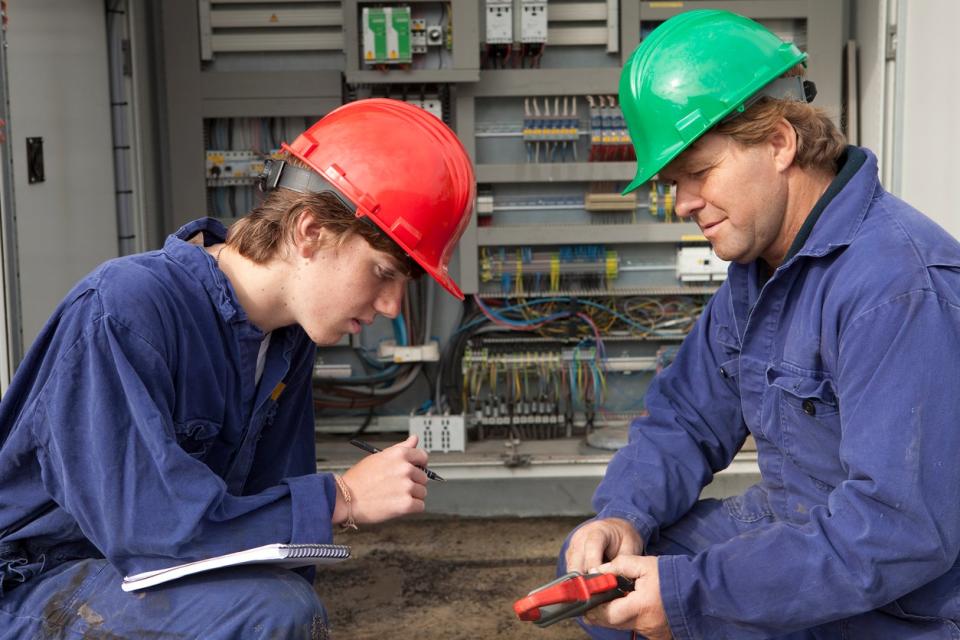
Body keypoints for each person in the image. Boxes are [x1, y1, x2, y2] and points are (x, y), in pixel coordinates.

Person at [0, 98, 475, 638]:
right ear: (309, 231)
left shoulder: (287, 342)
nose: (391, 307)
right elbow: (151, 535)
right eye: (383, 272)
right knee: (270, 610)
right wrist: (341, 497)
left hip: (122, 580)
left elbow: (275, 546)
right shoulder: (125, 310)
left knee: (284, 599)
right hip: (30, 580)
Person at [560, 10, 960, 640]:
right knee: (612, 584)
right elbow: (686, 420)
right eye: (673, 182)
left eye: (698, 172)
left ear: (779, 143)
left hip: (904, 599)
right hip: (800, 529)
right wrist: (622, 516)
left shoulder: (895, 288)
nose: (683, 203)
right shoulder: (760, 272)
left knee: (672, 602)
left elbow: (897, 529)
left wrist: (699, 594)